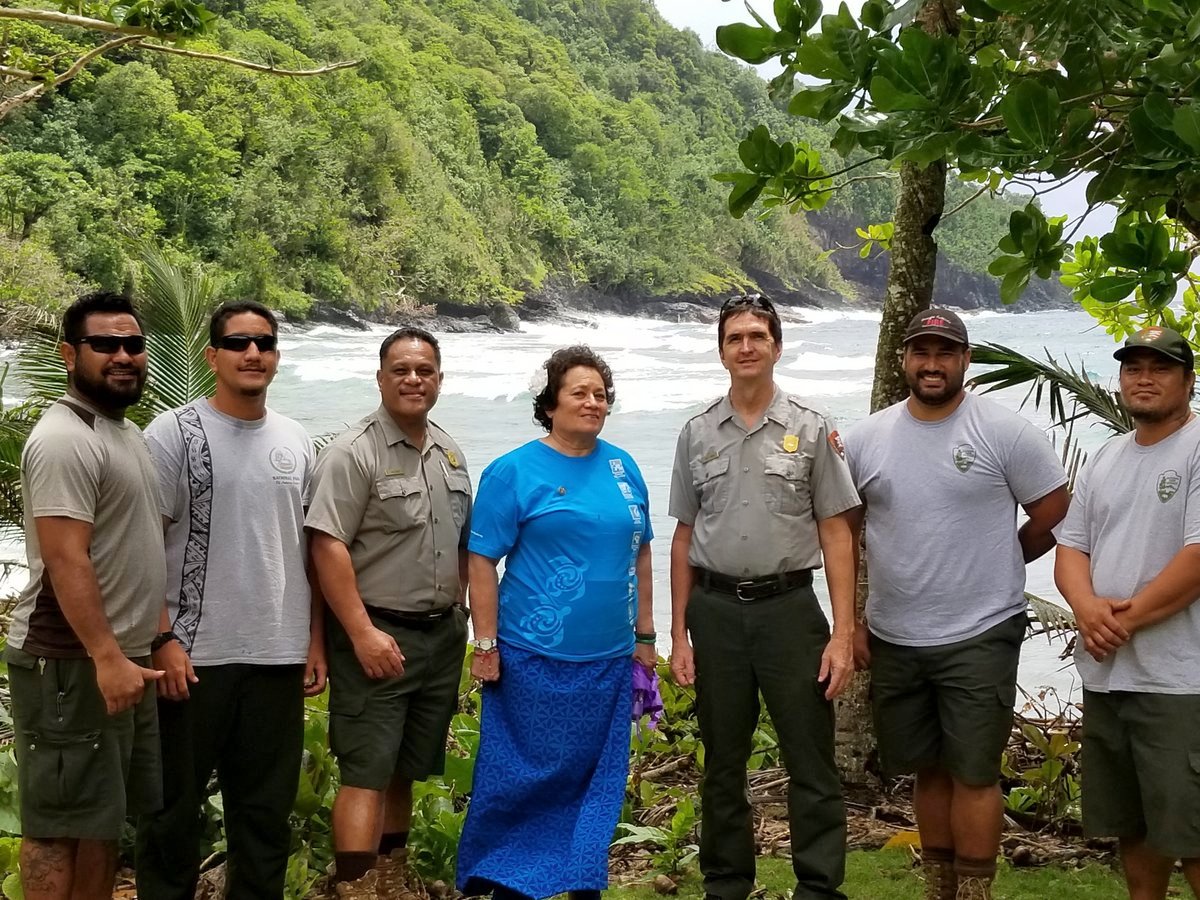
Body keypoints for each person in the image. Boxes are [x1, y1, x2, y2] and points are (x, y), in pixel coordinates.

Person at [842, 307, 1069, 900]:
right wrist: (852, 625)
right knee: (927, 769)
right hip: (895, 632)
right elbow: (845, 533)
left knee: (973, 771)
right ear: (904, 361)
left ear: (965, 360)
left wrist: (1004, 559)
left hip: (980, 629)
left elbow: (1053, 512)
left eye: (946, 353)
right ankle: (939, 887)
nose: (933, 364)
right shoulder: (867, 439)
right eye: (922, 352)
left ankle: (975, 892)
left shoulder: (1005, 432)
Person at [668, 294, 859, 900]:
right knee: (723, 760)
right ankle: (726, 882)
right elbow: (683, 536)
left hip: (790, 612)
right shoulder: (696, 434)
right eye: (734, 337)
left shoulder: (809, 427)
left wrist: (843, 633)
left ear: (777, 346)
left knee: (810, 757)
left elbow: (837, 531)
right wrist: (678, 635)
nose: (746, 346)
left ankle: (819, 886)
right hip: (716, 613)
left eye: (757, 335)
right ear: (721, 350)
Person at [134, 300, 323, 900]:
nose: (253, 353)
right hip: (190, 661)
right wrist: (161, 638)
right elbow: (141, 545)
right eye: (238, 342)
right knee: (170, 818)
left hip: (277, 657)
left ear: (276, 356)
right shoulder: (172, 433)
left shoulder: (296, 439)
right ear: (212, 355)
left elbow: (312, 551)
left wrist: (314, 643)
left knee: (264, 819)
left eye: (264, 343)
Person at [456, 345, 656, 900]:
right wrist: (486, 644)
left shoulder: (623, 467)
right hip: (529, 662)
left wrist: (645, 638)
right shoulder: (513, 471)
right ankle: (511, 888)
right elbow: (481, 560)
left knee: (596, 786)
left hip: (608, 664)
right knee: (523, 784)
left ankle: (581, 885)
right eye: (579, 393)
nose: (593, 402)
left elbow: (640, 555)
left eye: (600, 394)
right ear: (549, 404)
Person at [6, 291, 166, 900]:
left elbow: (131, 551)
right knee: (57, 825)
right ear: (70, 354)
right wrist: (105, 656)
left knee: (100, 822)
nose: (123, 356)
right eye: (105, 345)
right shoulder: (63, 440)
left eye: (132, 344)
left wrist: (154, 640)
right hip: (70, 663)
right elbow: (67, 557)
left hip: (121, 659)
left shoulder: (119, 433)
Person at [305, 326, 471, 895]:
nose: (413, 379)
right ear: (380, 378)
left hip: (438, 638)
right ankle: (356, 886)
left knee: (404, 768)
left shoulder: (448, 452)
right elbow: (326, 545)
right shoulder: (352, 453)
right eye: (401, 370)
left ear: (439, 381)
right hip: (377, 634)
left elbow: (462, 543)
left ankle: (391, 878)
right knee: (366, 771)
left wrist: (465, 616)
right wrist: (359, 633)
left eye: (424, 370)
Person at [1055, 326, 1200, 900]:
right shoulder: (1107, 455)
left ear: (1188, 380)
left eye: (1160, 367)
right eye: (1133, 367)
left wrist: (1120, 621)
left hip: (1180, 680)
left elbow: (1197, 557)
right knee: (1134, 828)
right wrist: (1087, 609)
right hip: (1111, 678)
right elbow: (1072, 548)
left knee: (1191, 831)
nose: (1144, 378)